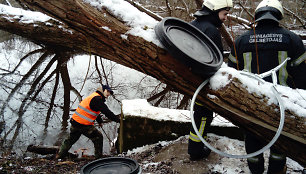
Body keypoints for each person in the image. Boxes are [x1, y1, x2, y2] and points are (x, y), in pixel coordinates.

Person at [228, 0, 306, 173]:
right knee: (279, 143)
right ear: (279, 15)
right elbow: (301, 77)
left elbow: (231, 74)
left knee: (252, 138)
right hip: (281, 104)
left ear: (256, 16)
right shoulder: (292, 39)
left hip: (249, 102)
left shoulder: (240, 40)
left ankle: (255, 171)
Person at [188, 0, 233, 161]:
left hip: (191, 80)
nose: (226, 18)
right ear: (215, 11)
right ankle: (196, 150)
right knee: (204, 116)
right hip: (204, 83)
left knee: (198, 115)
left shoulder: (193, 24)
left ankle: (197, 145)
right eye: (225, 14)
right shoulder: (211, 30)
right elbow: (216, 63)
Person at [56, 85, 120, 159]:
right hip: (83, 125)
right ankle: (98, 158)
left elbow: (94, 110)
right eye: (107, 91)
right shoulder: (98, 99)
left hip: (74, 122)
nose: (108, 94)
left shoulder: (93, 96)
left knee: (70, 140)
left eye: (110, 92)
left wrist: (99, 121)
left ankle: (60, 156)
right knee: (98, 137)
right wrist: (118, 120)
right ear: (103, 90)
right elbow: (107, 112)